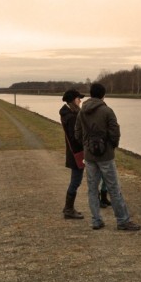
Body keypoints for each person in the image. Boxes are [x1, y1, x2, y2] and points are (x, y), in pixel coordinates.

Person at [75, 83, 140, 231]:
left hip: (89, 156)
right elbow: (115, 132)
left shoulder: (82, 112)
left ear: (91, 94)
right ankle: (122, 220)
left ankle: (96, 220)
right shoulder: (107, 111)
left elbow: (77, 133)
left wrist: (86, 145)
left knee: (92, 188)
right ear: (103, 95)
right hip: (106, 156)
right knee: (114, 188)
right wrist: (111, 146)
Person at [59, 89, 85, 219]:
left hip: (73, 153)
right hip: (77, 154)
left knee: (75, 180)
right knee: (75, 181)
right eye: (78, 98)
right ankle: (68, 209)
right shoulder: (73, 116)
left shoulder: (68, 114)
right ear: (73, 100)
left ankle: (68, 208)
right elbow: (76, 138)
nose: (80, 100)